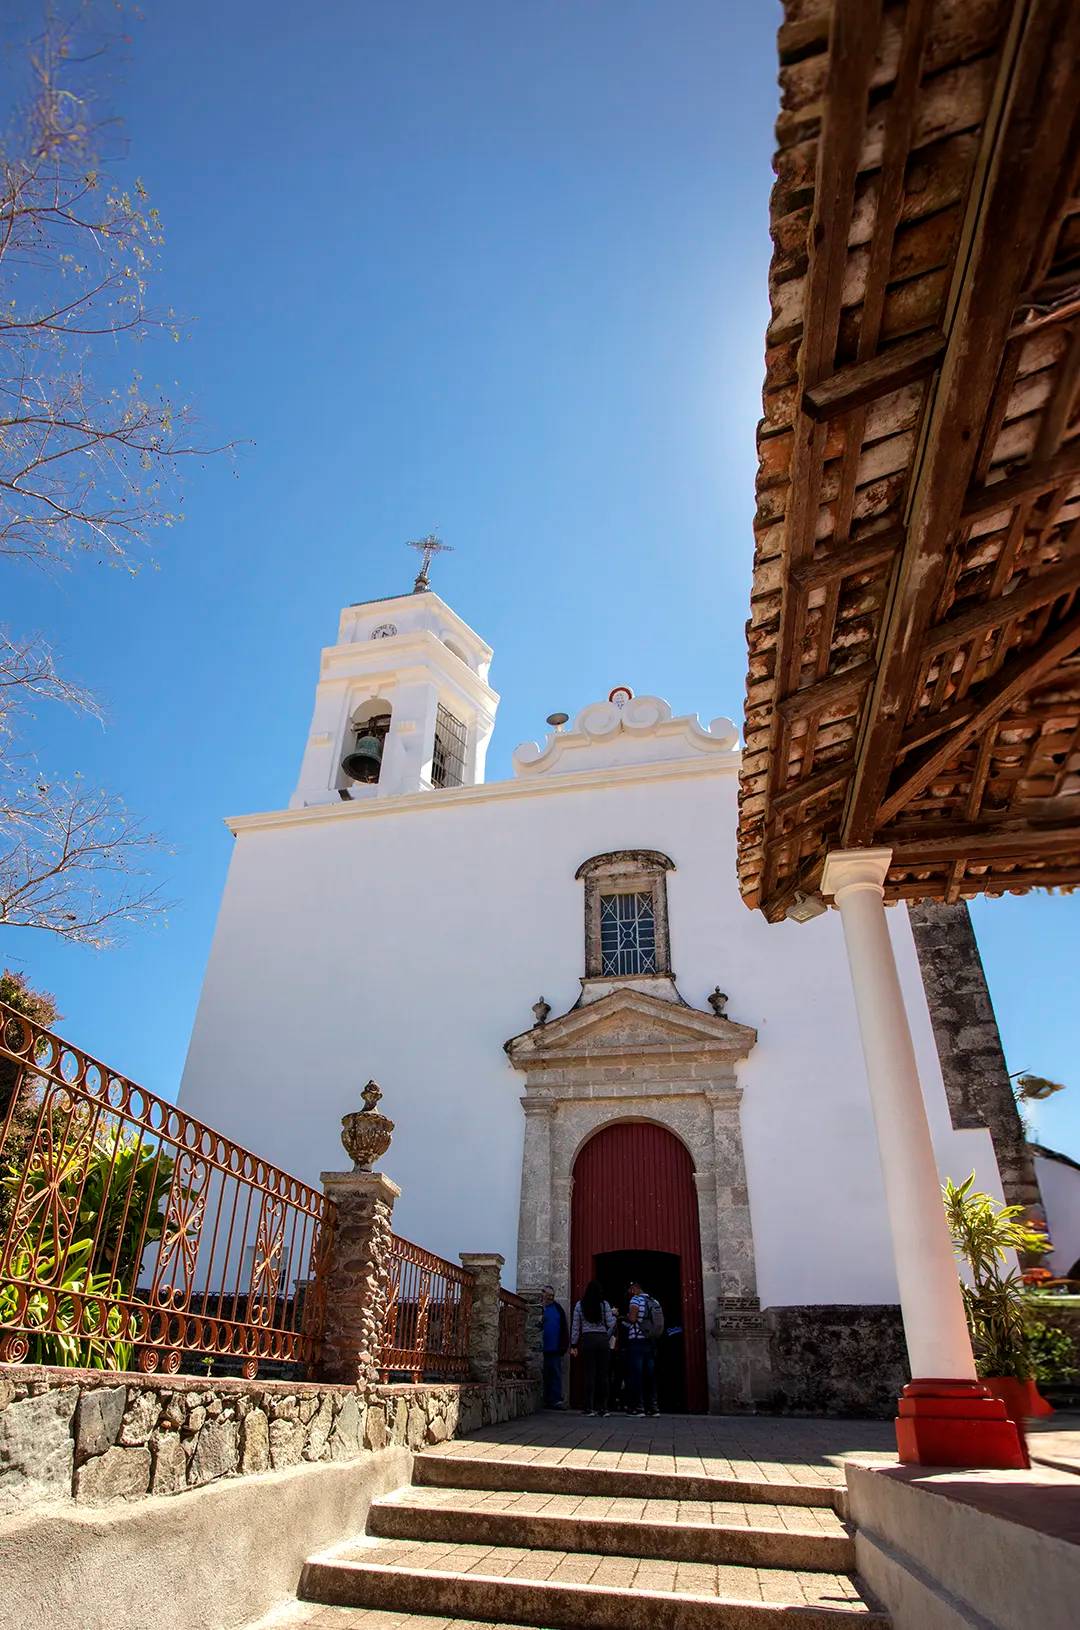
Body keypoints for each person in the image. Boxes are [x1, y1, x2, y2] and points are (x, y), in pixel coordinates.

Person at [569, 1280, 616, 1416]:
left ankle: (589, 1407)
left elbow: (576, 1327)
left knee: (589, 1374)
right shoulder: (604, 1305)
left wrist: (573, 1344)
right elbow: (611, 1324)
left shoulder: (580, 1305)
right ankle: (603, 1408)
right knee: (603, 1375)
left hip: (588, 1339)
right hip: (602, 1339)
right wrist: (613, 1316)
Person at [623, 1277, 661, 1417]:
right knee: (650, 1375)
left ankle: (638, 1407)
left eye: (630, 1289)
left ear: (634, 1288)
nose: (629, 1292)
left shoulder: (635, 1300)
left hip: (637, 1341)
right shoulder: (654, 1301)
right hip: (650, 1341)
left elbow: (632, 1319)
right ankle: (653, 1407)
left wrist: (625, 1316)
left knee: (636, 1374)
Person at [540, 1283, 569, 1408]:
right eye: (548, 1295)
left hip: (555, 1348)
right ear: (543, 1294)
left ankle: (556, 1400)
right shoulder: (539, 1308)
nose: (550, 1297)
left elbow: (564, 1328)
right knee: (544, 1375)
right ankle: (545, 1400)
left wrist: (564, 1346)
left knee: (555, 1374)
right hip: (540, 1349)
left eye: (552, 1295)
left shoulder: (558, 1309)